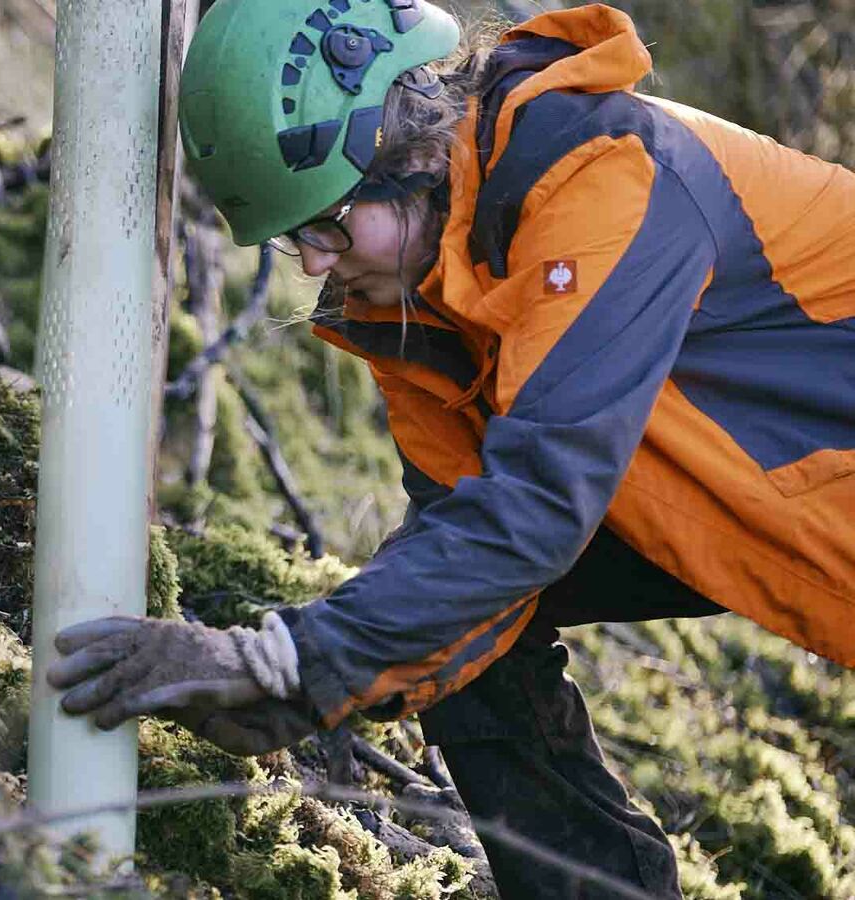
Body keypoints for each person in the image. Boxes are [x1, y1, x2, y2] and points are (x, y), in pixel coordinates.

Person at [45, 1, 855, 897]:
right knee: (446, 603)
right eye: (294, 237)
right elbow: (460, 556)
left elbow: (533, 512)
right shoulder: (421, 295)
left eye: (327, 220)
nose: (313, 264)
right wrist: (299, 683)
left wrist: (285, 657)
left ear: (412, 148)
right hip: (772, 499)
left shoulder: (599, 177)